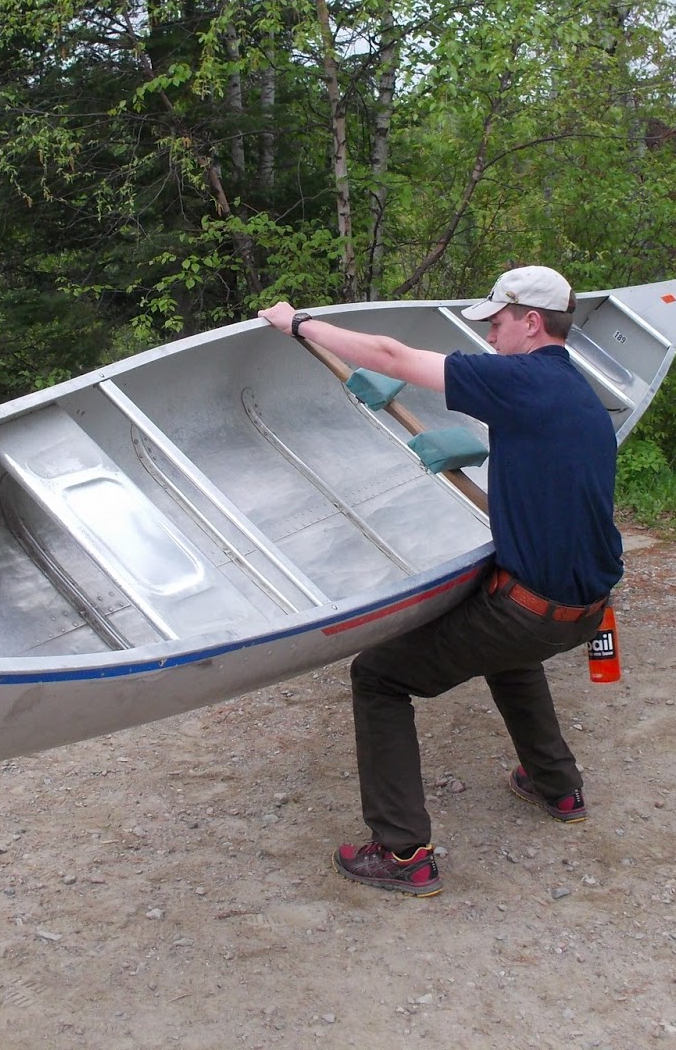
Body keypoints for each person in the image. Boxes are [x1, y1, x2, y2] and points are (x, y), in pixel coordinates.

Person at [257, 265, 621, 898]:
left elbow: (392, 356)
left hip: (531, 611)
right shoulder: (576, 390)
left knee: (378, 677)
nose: (492, 337)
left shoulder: (521, 380)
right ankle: (557, 785)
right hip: (587, 609)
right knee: (508, 651)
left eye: (499, 324)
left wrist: (299, 324)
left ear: (531, 323)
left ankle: (401, 852)